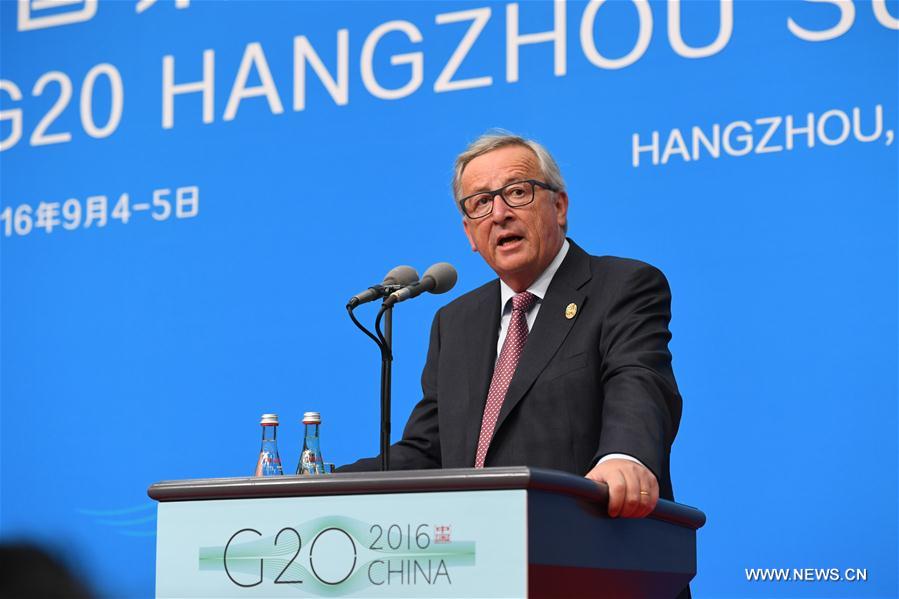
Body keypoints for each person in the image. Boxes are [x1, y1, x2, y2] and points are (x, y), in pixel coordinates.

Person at [342, 132, 682, 520]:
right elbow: (427, 452)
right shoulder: (455, 322)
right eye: (481, 202)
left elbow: (639, 380)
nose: (499, 213)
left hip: (586, 536)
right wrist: (322, 482)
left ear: (559, 206)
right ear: (469, 233)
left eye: (517, 192)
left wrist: (625, 456)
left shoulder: (621, 286)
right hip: (477, 546)